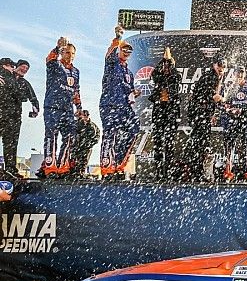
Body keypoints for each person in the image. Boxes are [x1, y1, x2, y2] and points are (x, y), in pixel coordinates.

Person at [99, 26, 141, 178]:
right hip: (109, 104)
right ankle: (107, 169)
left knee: (134, 128)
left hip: (124, 107)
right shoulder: (111, 63)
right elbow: (110, 53)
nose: (127, 53)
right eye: (124, 50)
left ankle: (118, 164)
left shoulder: (129, 73)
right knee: (110, 134)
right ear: (119, 50)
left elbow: (128, 92)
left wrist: (134, 93)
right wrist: (118, 38)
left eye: (129, 51)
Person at [42, 38, 82, 177]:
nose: (69, 55)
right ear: (62, 53)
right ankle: (50, 167)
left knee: (70, 137)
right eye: (67, 52)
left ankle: (63, 166)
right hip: (53, 106)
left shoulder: (76, 71)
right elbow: (50, 58)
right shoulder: (55, 65)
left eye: (72, 53)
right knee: (51, 135)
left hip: (67, 109)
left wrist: (79, 108)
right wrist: (57, 47)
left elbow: (76, 90)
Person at [185, 56, 225, 182]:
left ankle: (196, 171)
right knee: (200, 143)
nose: (222, 68)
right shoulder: (210, 76)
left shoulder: (217, 77)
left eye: (224, 66)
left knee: (201, 143)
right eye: (219, 65)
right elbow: (207, 92)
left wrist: (212, 112)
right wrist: (215, 97)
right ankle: (195, 171)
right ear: (214, 65)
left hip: (203, 114)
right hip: (199, 114)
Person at [220, 67, 247, 181]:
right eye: (238, 73)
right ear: (234, 74)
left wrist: (243, 111)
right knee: (229, 145)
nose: (240, 75)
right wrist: (230, 111)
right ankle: (228, 172)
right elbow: (224, 104)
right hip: (232, 120)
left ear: (245, 74)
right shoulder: (230, 86)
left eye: (242, 72)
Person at [149, 47, 181, 181]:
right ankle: (157, 172)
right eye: (165, 65)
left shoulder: (175, 76)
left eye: (169, 65)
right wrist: (163, 60)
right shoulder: (158, 76)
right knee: (157, 142)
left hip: (171, 112)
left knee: (169, 143)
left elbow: (176, 77)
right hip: (159, 111)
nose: (166, 67)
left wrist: (170, 63)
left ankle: (167, 172)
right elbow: (154, 74)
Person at [0, 58, 23, 176]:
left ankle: (10, 169)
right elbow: (18, 94)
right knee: (10, 143)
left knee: (10, 143)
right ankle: (10, 169)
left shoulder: (10, 78)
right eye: (11, 66)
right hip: (7, 115)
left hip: (8, 114)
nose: (13, 68)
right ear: (5, 66)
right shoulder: (7, 76)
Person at [72, 109, 100, 176]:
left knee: (84, 161)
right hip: (76, 147)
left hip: (86, 148)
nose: (84, 117)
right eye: (83, 116)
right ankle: (75, 172)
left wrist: (89, 144)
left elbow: (97, 136)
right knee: (74, 161)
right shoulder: (76, 124)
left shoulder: (92, 126)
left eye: (85, 115)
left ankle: (81, 172)